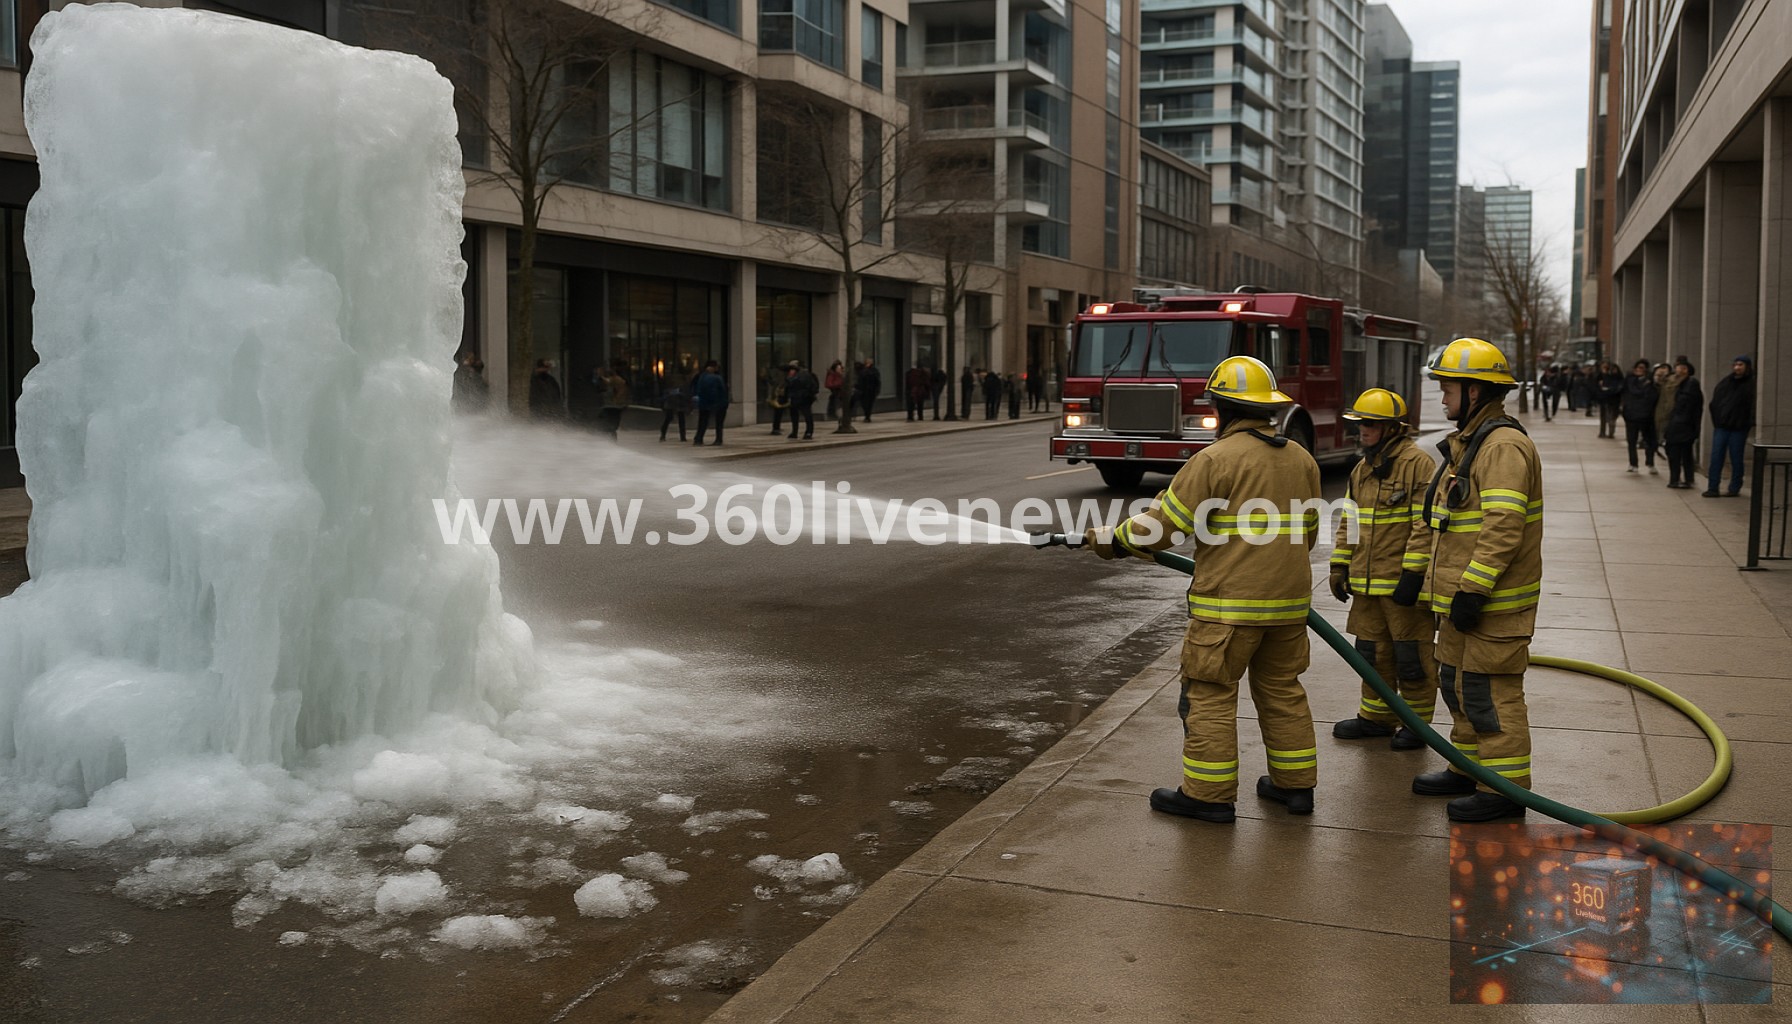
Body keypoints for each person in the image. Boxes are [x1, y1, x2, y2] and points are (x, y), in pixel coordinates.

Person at [1084, 355, 1323, 823]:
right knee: (1282, 690)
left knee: (1210, 692)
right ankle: (1296, 788)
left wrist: (1112, 541)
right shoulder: (1302, 459)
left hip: (1227, 609)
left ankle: (1208, 797)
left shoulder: (1213, 460)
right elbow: (1309, 533)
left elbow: (1162, 529)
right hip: (1289, 606)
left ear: (1222, 409)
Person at [1392, 337, 1543, 822]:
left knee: (1490, 692)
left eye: (1448, 388)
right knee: (1456, 684)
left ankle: (1503, 791)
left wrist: (1474, 590)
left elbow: (1503, 528)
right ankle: (1469, 766)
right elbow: (1438, 519)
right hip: (1459, 600)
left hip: (1492, 606)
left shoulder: (1502, 448)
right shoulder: (1468, 446)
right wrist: (1416, 576)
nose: (1442, 397)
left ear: (1474, 391)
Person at [1328, 388, 1438, 751]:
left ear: (1392, 429)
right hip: (1367, 587)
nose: (1363, 431)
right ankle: (1376, 718)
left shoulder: (1417, 465)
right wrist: (1340, 564)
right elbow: (1351, 519)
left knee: (1412, 659)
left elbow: (1426, 523)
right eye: (1360, 424)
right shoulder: (1363, 469)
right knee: (1371, 655)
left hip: (1402, 586)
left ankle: (1417, 725)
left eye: (1371, 424)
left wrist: (1413, 573)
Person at [1704, 355, 1756, 497]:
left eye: (1741, 365)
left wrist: (1746, 423)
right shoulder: (1726, 383)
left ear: (1747, 367)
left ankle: (1734, 487)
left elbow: (1752, 407)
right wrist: (1718, 421)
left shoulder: (1751, 384)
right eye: (1736, 364)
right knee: (1716, 457)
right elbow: (1714, 403)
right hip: (1722, 426)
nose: (1737, 367)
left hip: (1739, 428)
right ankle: (1713, 487)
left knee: (1736, 458)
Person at [1664, 361, 1702, 488]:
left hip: (1683, 424)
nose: (1679, 371)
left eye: (1683, 368)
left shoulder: (1691, 384)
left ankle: (1682, 479)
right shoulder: (1675, 384)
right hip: (1676, 423)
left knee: (1681, 453)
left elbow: (1688, 405)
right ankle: (1680, 478)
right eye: (1678, 368)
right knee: (1679, 453)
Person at [1620, 358, 1658, 474]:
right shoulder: (1629, 381)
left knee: (1649, 440)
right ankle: (1633, 463)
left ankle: (1650, 462)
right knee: (1632, 440)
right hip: (1632, 415)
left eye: (1642, 368)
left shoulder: (1651, 382)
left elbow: (1652, 398)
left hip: (1646, 416)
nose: (1639, 370)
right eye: (1638, 367)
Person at [693, 360, 729, 446]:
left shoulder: (701, 377)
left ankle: (698, 438)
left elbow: (697, 389)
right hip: (718, 402)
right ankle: (718, 439)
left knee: (703, 421)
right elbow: (722, 390)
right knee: (719, 423)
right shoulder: (717, 378)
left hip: (704, 402)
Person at [784, 359, 818, 440]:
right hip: (796, 397)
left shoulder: (803, 375)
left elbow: (796, 384)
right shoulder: (796, 375)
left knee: (806, 415)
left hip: (803, 397)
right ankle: (797, 432)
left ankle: (807, 432)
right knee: (797, 415)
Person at [596, 360, 630, 441]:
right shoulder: (620, 380)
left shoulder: (617, 380)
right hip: (615, 406)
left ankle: (609, 441)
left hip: (613, 406)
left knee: (609, 425)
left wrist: (600, 376)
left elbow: (608, 382)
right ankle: (610, 441)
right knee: (611, 426)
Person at [1651, 362, 1678, 460]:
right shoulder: (1654, 386)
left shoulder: (1673, 383)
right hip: (1659, 415)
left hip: (1670, 415)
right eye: (1658, 374)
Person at [1595, 361, 1625, 438]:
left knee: (1612, 417)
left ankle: (1611, 432)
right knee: (1604, 416)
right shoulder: (1605, 376)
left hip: (1615, 400)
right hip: (1605, 399)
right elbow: (1598, 385)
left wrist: (1609, 390)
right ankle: (1603, 432)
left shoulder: (1619, 379)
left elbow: (1619, 389)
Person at [659, 373, 690, 442]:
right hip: (674, 404)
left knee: (677, 419)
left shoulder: (680, 387)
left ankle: (682, 436)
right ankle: (681, 436)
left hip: (677, 404)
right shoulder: (674, 387)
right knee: (671, 419)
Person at [767, 364, 791, 435]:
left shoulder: (779, 378)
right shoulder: (783, 378)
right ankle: (776, 428)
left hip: (778, 397)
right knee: (778, 413)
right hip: (780, 397)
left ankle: (776, 427)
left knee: (778, 413)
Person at [856, 358, 882, 422]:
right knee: (866, 404)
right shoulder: (864, 371)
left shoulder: (873, 371)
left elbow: (877, 381)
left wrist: (877, 390)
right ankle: (867, 416)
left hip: (869, 390)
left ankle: (867, 416)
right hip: (865, 390)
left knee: (868, 404)